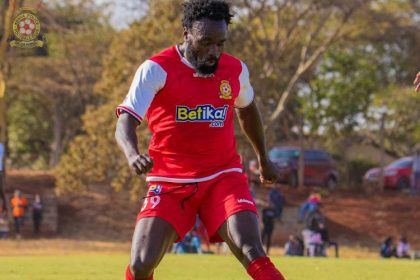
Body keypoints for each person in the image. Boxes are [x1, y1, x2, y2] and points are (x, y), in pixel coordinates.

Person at [115, 1, 286, 279]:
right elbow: (125, 121)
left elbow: (248, 109)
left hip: (223, 177)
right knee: (141, 264)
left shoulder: (235, 70)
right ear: (186, 33)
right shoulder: (156, 69)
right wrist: (132, 155)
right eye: (206, 42)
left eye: (221, 43)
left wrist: (264, 159)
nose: (214, 52)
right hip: (169, 182)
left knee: (251, 248)